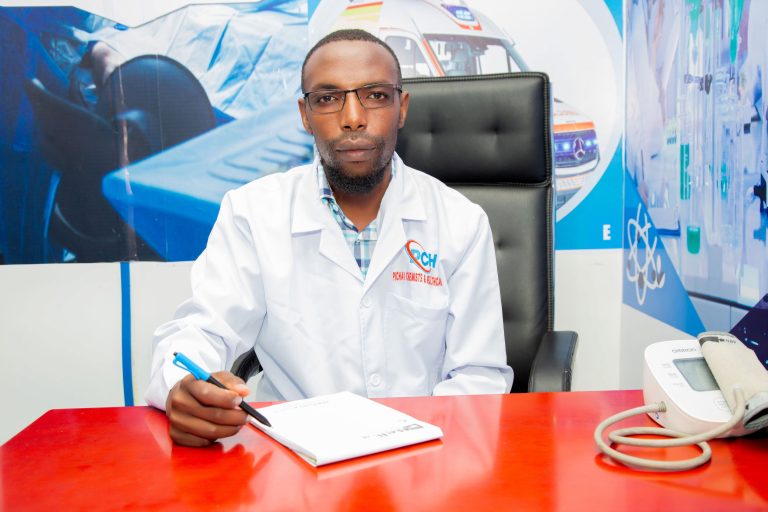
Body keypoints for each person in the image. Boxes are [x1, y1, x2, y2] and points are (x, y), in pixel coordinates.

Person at [145, 29, 513, 447]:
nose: (353, 117)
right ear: (304, 115)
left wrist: (420, 451)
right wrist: (181, 386)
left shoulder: (460, 221)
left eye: (375, 95)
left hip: (424, 456)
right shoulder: (252, 212)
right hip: (293, 455)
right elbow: (203, 329)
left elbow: (477, 375)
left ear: (402, 107)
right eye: (327, 98)